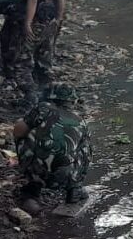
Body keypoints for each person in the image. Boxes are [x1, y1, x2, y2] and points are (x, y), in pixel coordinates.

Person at [13, 83, 91, 212]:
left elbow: (17, 132)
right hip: (64, 176)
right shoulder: (81, 121)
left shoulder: (42, 109)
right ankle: (74, 188)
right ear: (73, 101)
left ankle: (32, 190)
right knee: (84, 146)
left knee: (24, 135)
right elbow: (85, 155)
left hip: (40, 173)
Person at [3, 0, 63, 105]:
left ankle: (31, 99)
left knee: (22, 62)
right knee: (43, 62)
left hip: (35, 21)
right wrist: (58, 18)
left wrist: (27, 23)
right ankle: (48, 98)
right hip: (48, 21)